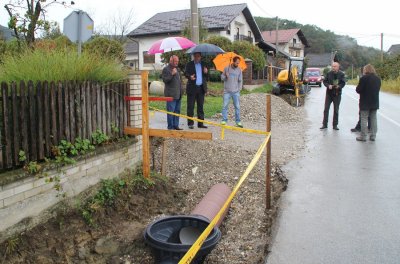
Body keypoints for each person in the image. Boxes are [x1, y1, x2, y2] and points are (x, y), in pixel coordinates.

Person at [355, 64, 381, 141]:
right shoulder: (378, 79)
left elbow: (358, 90)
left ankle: (363, 136)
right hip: (375, 101)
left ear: (365, 70)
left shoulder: (363, 78)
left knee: (364, 118)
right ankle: (373, 136)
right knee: (373, 118)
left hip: (365, 102)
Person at [184, 52, 208, 129]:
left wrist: (206, 72)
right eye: (195, 56)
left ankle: (200, 123)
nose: (197, 58)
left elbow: (207, 76)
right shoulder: (189, 64)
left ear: (200, 57)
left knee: (200, 107)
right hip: (192, 88)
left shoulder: (204, 64)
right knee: (190, 107)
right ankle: (190, 123)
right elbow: (185, 73)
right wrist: (190, 77)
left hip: (201, 88)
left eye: (198, 56)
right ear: (193, 57)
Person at [320, 61, 346, 130]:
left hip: (337, 94)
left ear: (338, 67)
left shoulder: (341, 74)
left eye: (335, 66)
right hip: (329, 93)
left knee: (336, 110)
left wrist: (339, 86)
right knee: (326, 109)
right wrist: (328, 85)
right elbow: (324, 81)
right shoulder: (329, 73)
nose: (333, 68)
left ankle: (335, 125)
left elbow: (343, 83)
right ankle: (324, 124)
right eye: (332, 66)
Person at [220, 56, 243, 127]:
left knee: (237, 107)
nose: (237, 64)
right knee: (225, 106)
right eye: (236, 63)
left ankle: (238, 121)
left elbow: (240, 80)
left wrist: (239, 89)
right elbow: (222, 78)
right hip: (227, 91)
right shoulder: (226, 69)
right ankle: (224, 120)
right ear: (233, 62)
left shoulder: (239, 70)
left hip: (236, 92)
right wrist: (226, 76)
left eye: (238, 63)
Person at [162, 55, 183, 130]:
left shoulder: (177, 69)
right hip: (171, 95)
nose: (177, 63)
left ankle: (176, 125)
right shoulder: (166, 69)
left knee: (177, 111)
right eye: (175, 61)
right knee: (171, 111)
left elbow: (180, 81)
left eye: (177, 61)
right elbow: (165, 80)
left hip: (178, 94)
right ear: (171, 61)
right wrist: (172, 74)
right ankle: (170, 127)